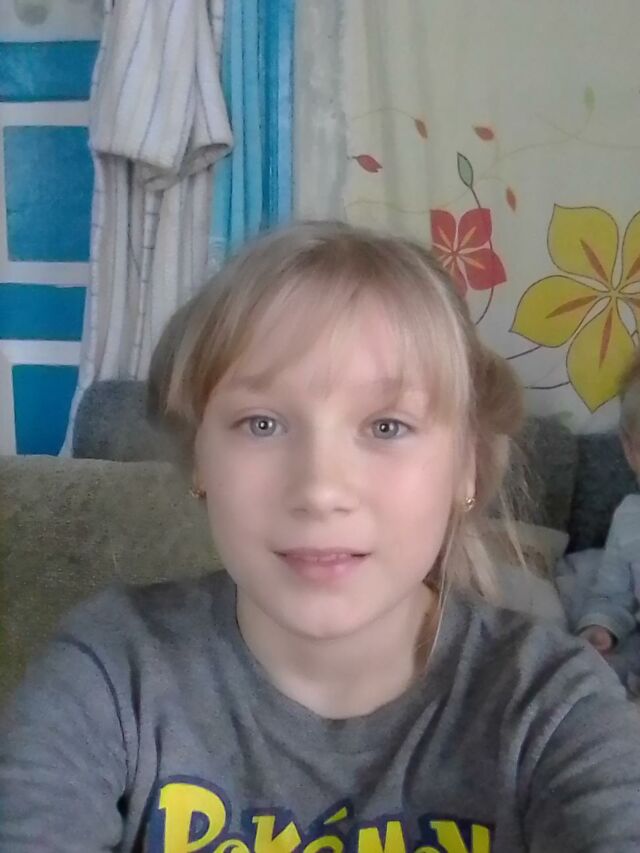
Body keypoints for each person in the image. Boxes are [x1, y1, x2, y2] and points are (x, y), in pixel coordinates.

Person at [2, 222, 640, 853]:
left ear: (466, 467)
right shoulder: (111, 671)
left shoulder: (555, 706)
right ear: (199, 459)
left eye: (387, 427)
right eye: (262, 423)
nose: (320, 489)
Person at [577, 348, 640, 691]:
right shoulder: (630, 518)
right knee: (589, 676)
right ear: (631, 452)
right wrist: (601, 626)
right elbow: (612, 594)